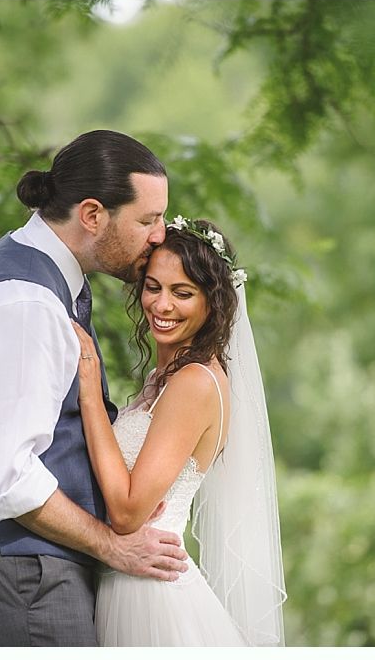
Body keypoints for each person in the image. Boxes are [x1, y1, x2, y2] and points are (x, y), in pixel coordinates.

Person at [0, 130, 190, 647]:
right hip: (21, 577)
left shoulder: (53, 280)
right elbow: (3, 474)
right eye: (147, 220)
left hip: (35, 569)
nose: (161, 236)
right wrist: (110, 546)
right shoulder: (25, 306)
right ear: (93, 215)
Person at [73, 217, 287, 646]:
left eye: (182, 293)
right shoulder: (163, 377)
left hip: (152, 594)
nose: (161, 305)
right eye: (153, 287)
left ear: (214, 302)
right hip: (125, 580)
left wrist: (91, 399)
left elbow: (129, 512)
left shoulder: (194, 383)